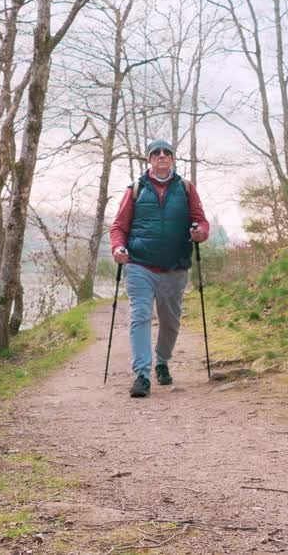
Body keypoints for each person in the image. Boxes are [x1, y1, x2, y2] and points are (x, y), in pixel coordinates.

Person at [109, 139, 210, 397]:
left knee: (170, 322)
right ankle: (142, 375)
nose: (162, 156)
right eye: (156, 153)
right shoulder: (136, 189)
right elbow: (118, 227)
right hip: (139, 265)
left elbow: (201, 221)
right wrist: (118, 248)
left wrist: (200, 232)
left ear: (173, 159)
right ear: (149, 159)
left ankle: (162, 361)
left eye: (167, 153)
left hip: (175, 267)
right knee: (140, 315)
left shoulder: (186, 188)